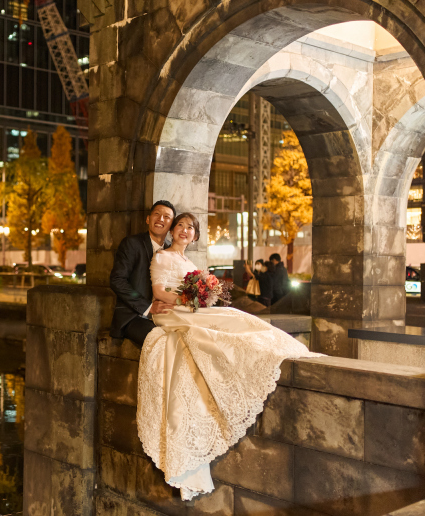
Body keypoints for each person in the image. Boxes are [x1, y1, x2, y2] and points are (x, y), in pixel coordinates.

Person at [137, 212, 322, 501]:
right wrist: (189, 298)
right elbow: (159, 291)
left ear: (196, 236)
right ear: (173, 232)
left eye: (191, 228)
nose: (185, 231)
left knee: (232, 315)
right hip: (173, 314)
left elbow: (193, 292)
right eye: (180, 226)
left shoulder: (190, 263)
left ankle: (274, 348)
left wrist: (202, 297)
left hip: (190, 308)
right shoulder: (162, 257)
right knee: (220, 324)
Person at [109, 200, 176, 347]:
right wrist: (148, 307)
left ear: (172, 226)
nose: (161, 219)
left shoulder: (173, 251)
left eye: (167, 217)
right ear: (148, 219)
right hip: (134, 317)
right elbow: (117, 280)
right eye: (157, 214)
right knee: (162, 342)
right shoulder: (132, 244)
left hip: (166, 317)